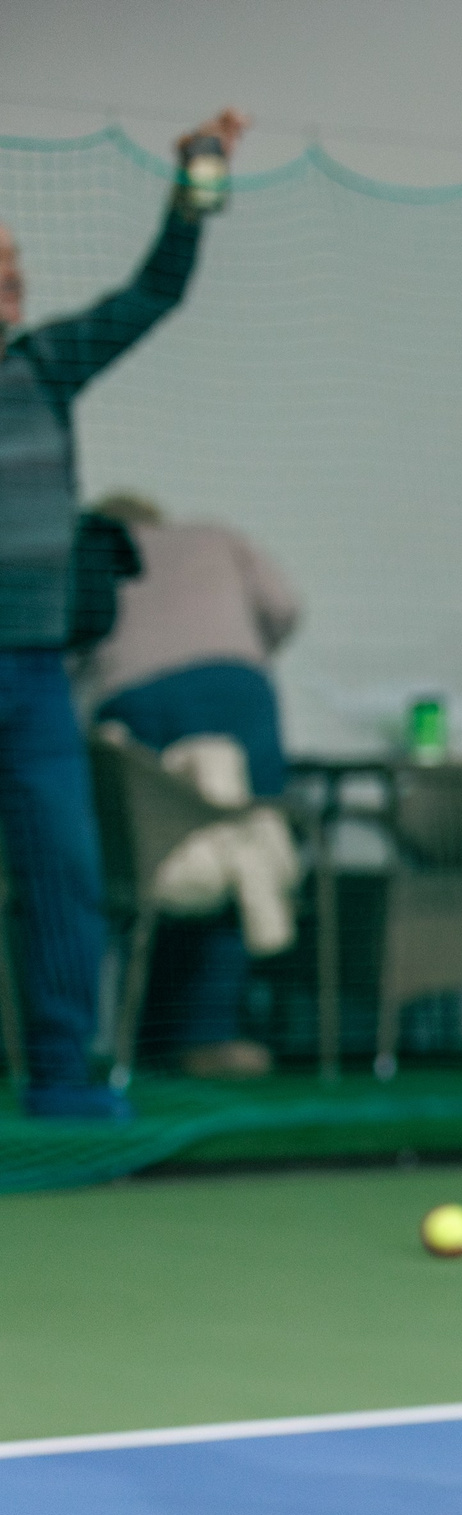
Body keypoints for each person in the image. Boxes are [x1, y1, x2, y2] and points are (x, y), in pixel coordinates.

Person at [0, 107, 247, 1119]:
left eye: (14, 264)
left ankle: (63, 1081)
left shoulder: (45, 367)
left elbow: (156, 291)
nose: (13, 280)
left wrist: (198, 181)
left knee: (65, 873)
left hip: (35, 680)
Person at [78, 493, 300, 1078]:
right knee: (237, 848)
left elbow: (74, 643)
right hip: (235, 689)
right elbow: (284, 607)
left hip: (132, 701)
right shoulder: (214, 535)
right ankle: (208, 1036)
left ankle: (145, 1031)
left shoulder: (96, 552)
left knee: (152, 861)